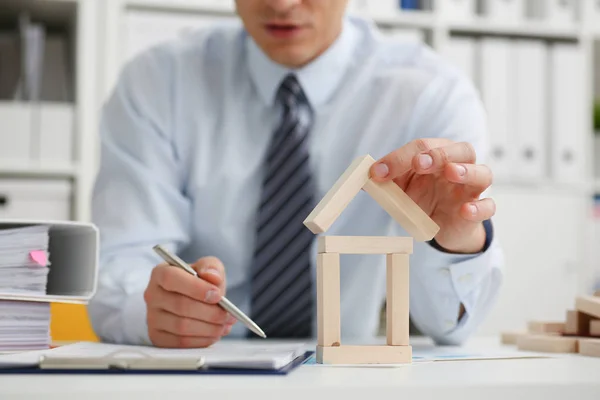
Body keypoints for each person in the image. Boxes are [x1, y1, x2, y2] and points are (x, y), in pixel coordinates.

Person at [88, 0, 503, 348]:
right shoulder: (157, 82)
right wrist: (153, 308)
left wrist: (455, 243)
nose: (281, 5)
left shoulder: (432, 94)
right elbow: (120, 264)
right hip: (206, 367)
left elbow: (453, 327)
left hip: (351, 375)